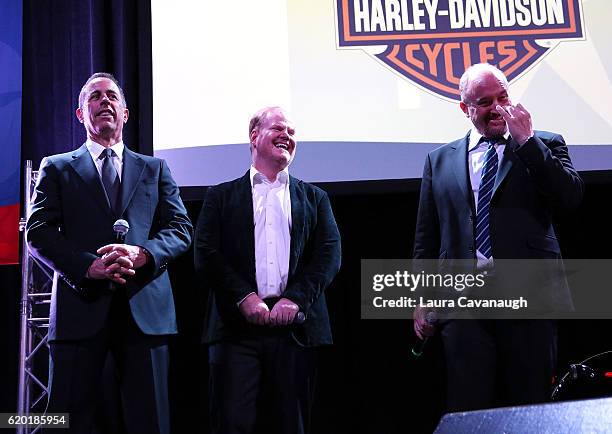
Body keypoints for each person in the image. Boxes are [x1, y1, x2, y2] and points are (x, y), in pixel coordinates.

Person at [26, 72, 192, 434]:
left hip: (145, 311)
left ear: (126, 113)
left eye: (112, 96)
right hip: (79, 309)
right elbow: (36, 232)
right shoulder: (57, 167)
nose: (105, 102)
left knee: (152, 421)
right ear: (80, 114)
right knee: (65, 421)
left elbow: (180, 229)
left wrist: (143, 254)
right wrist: (89, 267)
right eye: (95, 97)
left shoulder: (155, 168)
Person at [412, 63, 583, 411]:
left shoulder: (545, 144)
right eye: (484, 101)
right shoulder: (439, 160)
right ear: (465, 108)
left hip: (529, 300)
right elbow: (427, 237)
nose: (496, 108)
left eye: (502, 96)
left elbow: (570, 197)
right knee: (468, 405)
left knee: (532, 405)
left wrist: (528, 142)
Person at [194, 106, 341, 434]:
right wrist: (243, 296)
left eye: (292, 132)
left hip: (295, 334)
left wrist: (296, 299)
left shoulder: (315, 198)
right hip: (235, 333)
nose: (287, 136)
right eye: (278, 129)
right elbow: (206, 254)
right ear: (254, 136)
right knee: (233, 425)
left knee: (292, 426)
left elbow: (329, 256)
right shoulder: (220, 196)